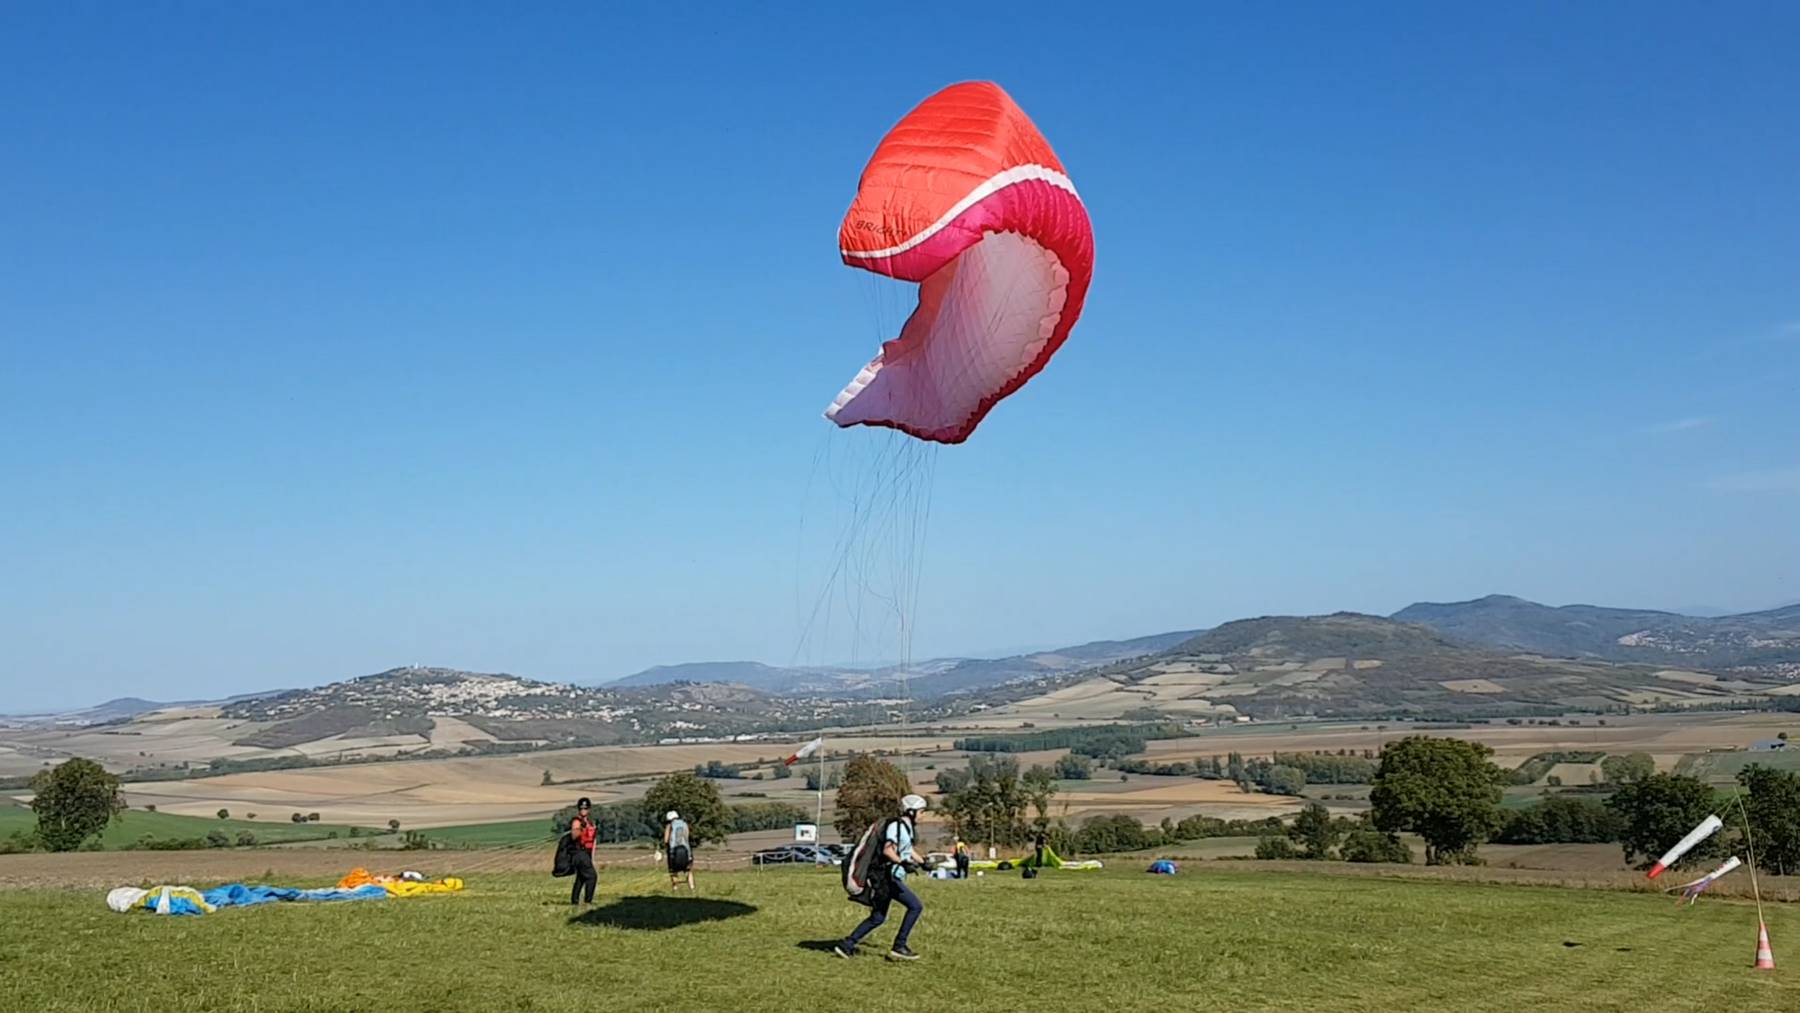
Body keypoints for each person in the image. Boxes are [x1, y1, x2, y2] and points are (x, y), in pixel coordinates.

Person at [835, 794, 928, 961]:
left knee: (878, 917)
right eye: (922, 811)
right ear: (911, 811)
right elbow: (888, 850)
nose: (923, 815)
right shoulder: (896, 826)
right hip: (886, 878)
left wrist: (923, 862)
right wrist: (902, 863)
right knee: (915, 906)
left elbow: (908, 849)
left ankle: (846, 945)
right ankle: (899, 946)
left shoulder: (906, 828)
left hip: (888, 878)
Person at [568, 797, 598, 905]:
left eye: (585, 808)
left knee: (581, 878)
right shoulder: (577, 821)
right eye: (581, 808)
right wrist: (581, 828)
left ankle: (574, 901)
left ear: (589, 809)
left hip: (587, 854)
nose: (583, 810)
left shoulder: (591, 823)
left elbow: (593, 840)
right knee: (592, 877)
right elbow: (574, 836)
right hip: (579, 853)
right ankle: (588, 901)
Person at [663, 810, 695, 892]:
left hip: (674, 852)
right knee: (688, 870)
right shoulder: (684, 824)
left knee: (673, 871)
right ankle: (692, 887)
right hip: (686, 852)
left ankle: (675, 888)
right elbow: (687, 836)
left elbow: (666, 840)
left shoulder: (669, 826)